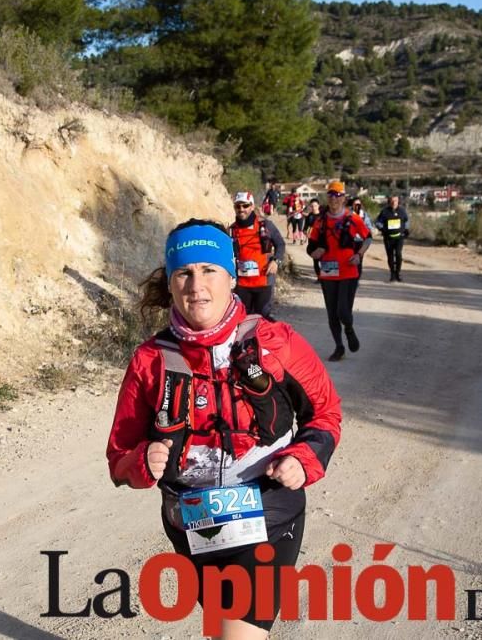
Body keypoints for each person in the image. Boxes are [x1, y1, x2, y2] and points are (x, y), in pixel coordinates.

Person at [107, 219, 342, 639]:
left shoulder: (277, 342)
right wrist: (141, 460)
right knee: (222, 629)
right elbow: (119, 456)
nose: (196, 285)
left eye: (209, 270)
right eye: (184, 272)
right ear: (171, 281)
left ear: (232, 276)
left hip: (270, 514)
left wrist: (303, 460)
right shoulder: (150, 360)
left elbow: (325, 414)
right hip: (192, 523)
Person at [306, 180, 371, 361]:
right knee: (332, 312)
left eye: (338, 195)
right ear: (328, 198)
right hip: (328, 272)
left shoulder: (353, 218)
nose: (334, 199)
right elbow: (310, 247)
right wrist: (315, 252)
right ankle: (339, 346)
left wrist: (359, 255)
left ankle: (349, 329)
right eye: (331, 195)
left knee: (343, 310)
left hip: (349, 270)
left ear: (343, 198)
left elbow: (368, 238)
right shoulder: (321, 221)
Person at [229, 191, 286, 318]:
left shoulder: (265, 225)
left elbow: (280, 244)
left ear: (252, 206)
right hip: (242, 284)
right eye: (237, 206)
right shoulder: (232, 230)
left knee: (262, 318)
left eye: (245, 206)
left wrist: (276, 261)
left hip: (264, 281)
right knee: (243, 319)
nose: (241, 209)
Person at [375, 194, 410, 282]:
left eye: (396, 201)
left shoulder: (402, 211)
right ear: (389, 201)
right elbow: (378, 222)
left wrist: (406, 229)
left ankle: (398, 272)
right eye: (392, 201)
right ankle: (392, 274)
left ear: (398, 201)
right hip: (388, 238)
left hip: (399, 237)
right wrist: (381, 228)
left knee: (398, 254)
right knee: (390, 256)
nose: (394, 202)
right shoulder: (384, 211)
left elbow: (406, 220)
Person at [303, 198, 322, 278]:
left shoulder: (323, 216)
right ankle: (319, 277)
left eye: (315, 205)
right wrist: (306, 233)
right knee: (316, 260)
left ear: (318, 206)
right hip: (312, 241)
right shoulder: (309, 216)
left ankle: (328, 278)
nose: (314, 207)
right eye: (312, 206)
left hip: (322, 241)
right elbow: (305, 228)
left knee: (325, 259)